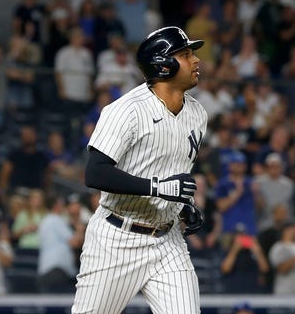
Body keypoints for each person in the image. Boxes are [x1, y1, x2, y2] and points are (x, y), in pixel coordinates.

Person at [72, 26, 207, 314]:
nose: (196, 60)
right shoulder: (125, 111)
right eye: (185, 54)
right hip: (116, 237)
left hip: (168, 240)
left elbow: (170, 173)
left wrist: (184, 207)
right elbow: (95, 173)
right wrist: (158, 188)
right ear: (163, 64)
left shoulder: (197, 113)